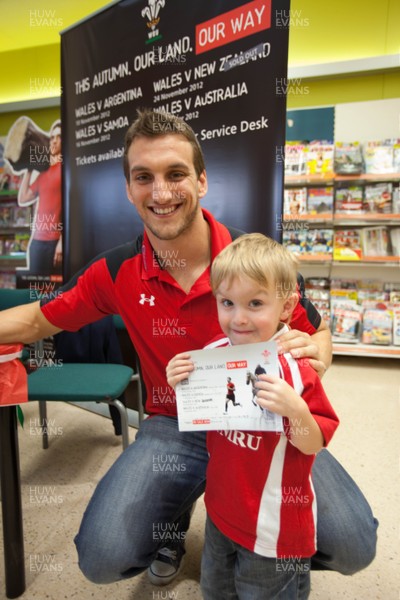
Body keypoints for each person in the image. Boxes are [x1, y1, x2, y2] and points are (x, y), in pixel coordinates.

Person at [0, 109, 377, 586]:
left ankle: (270, 545)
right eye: (144, 177)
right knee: (101, 558)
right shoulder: (115, 272)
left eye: (175, 174)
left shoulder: (254, 260)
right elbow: (36, 318)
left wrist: (314, 359)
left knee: (355, 545)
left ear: (201, 180)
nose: (160, 192)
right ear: (129, 189)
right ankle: (171, 525)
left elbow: (318, 332)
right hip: (174, 424)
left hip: (264, 428)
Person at [167, 233, 340, 599]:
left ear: (287, 307)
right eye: (227, 302)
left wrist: (296, 410)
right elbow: (200, 410)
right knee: (216, 590)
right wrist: (179, 379)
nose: (239, 318)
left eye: (255, 303)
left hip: (273, 526)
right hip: (220, 511)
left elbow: (316, 442)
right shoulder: (212, 355)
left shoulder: (297, 369)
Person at [17, 120, 62, 274]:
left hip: (54, 242)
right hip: (36, 242)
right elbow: (23, 198)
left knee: (53, 294)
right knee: (36, 292)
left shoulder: (66, 169)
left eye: (59, 136)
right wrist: (28, 170)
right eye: (52, 137)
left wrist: (62, 242)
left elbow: (72, 208)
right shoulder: (43, 171)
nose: (54, 140)